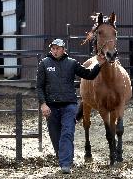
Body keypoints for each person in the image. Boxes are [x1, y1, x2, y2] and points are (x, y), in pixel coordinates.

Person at [36, 38, 105, 174]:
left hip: (69, 105)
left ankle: (66, 164)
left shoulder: (72, 63)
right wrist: (43, 104)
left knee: (67, 133)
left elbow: (88, 75)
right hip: (51, 106)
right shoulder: (44, 64)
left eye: (58, 48)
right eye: (53, 48)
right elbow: (39, 87)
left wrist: (100, 64)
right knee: (55, 136)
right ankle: (64, 158)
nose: (55, 51)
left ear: (63, 50)